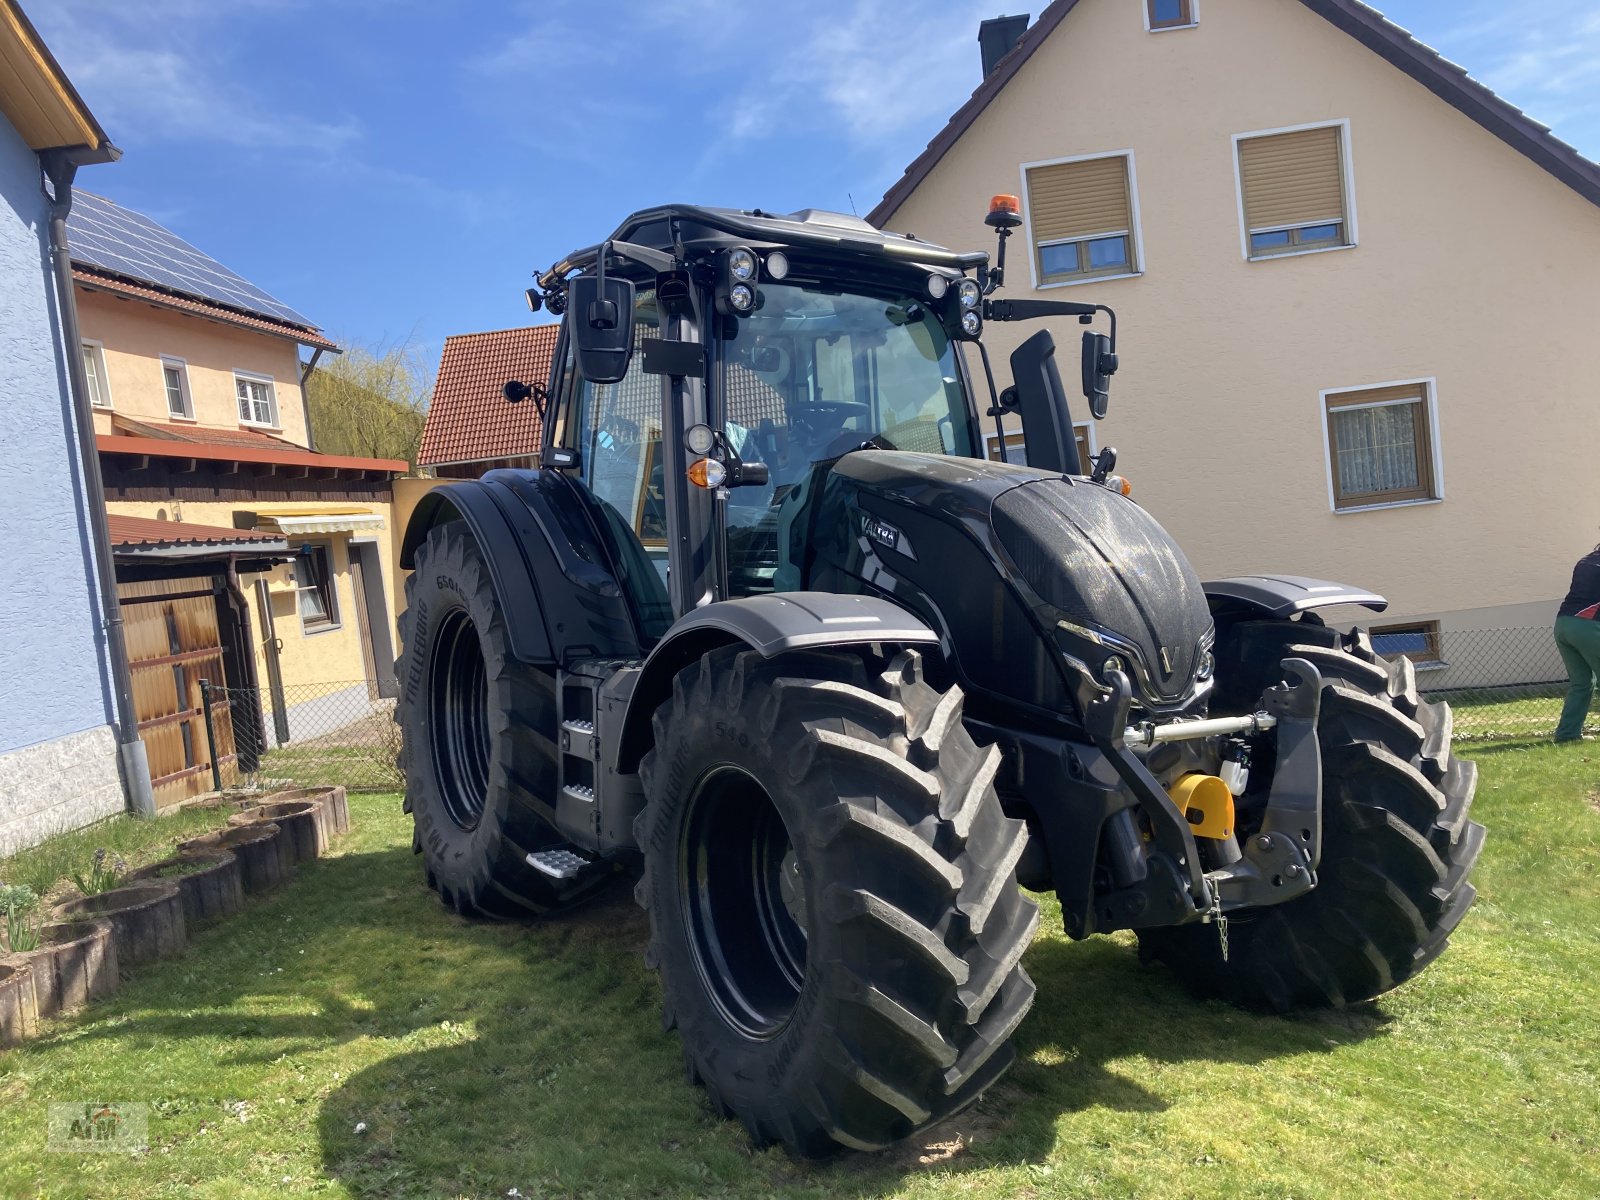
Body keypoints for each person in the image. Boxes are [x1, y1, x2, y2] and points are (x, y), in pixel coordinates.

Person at [1553, 539, 1600, 742]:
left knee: (1581, 683)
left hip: (1563, 624)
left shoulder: (1586, 561)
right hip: (1586, 625)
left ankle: (1567, 735)